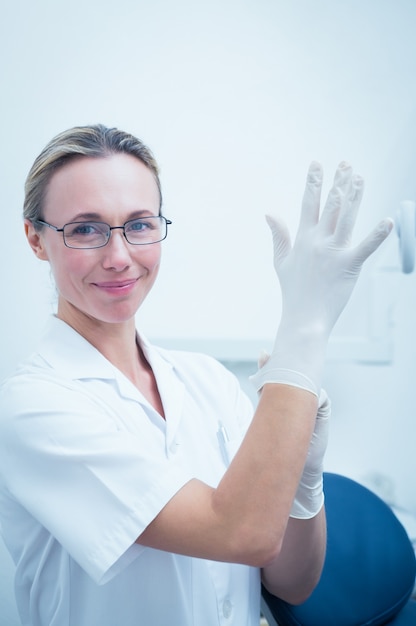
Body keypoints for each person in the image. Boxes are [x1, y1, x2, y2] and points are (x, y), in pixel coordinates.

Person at [0, 124, 393, 626]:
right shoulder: (35, 406)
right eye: (85, 229)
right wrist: (305, 328)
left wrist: (304, 481)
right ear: (35, 239)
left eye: (139, 224)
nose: (119, 257)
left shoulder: (206, 380)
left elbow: (291, 581)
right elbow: (240, 532)